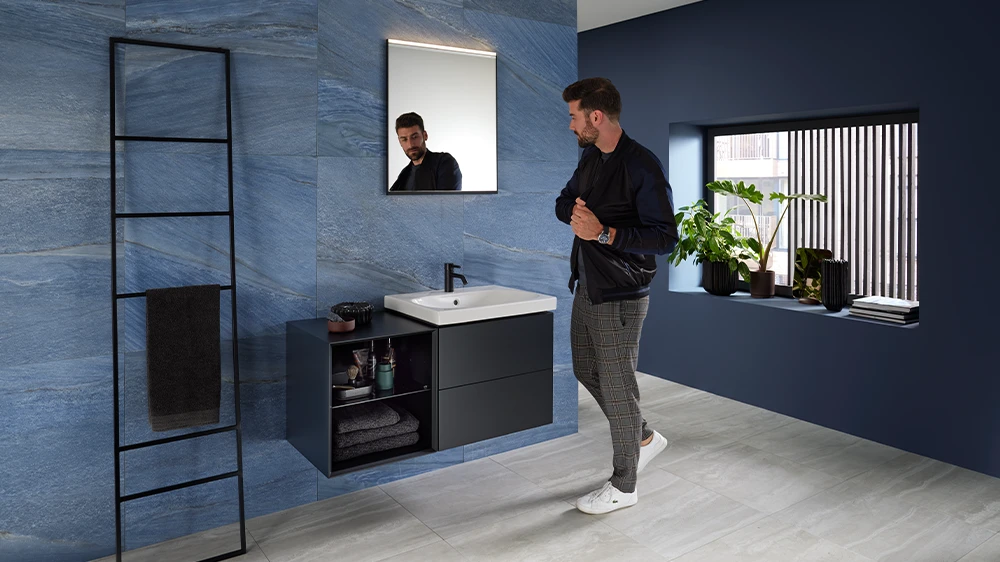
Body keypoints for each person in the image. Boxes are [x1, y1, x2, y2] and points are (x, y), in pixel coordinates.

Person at [555, 77, 678, 515]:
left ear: (595, 116)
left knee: (618, 383)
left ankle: (624, 486)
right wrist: (577, 215)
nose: (569, 125)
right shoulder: (591, 158)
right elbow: (563, 201)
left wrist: (603, 232)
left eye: (573, 116)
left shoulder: (641, 165)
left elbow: (665, 238)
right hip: (588, 284)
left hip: (622, 295)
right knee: (586, 369)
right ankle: (643, 436)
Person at [389, 112, 462, 192]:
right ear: (399, 142)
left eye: (415, 137)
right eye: (404, 139)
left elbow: (446, 202)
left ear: (425, 135)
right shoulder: (403, 175)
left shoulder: (444, 162)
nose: (410, 145)